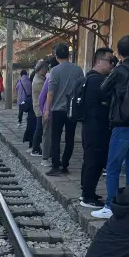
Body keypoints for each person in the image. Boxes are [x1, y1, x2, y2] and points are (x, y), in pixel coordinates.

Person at [91, 36, 129, 218]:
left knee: (113, 166)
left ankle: (111, 205)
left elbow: (103, 89)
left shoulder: (119, 71)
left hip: (123, 123)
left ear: (118, 52)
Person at [78, 47, 114, 208]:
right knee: (94, 161)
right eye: (110, 60)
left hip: (90, 126)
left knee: (90, 160)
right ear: (99, 61)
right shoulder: (97, 81)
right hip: (96, 128)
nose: (112, 64)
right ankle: (88, 196)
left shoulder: (88, 78)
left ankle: (87, 191)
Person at [44, 43, 84, 176]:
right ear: (68, 54)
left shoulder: (55, 71)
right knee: (70, 137)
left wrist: (47, 110)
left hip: (57, 109)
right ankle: (65, 164)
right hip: (72, 109)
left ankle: (56, 165)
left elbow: (50, 92)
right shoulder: (78, 70)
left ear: (56, 56)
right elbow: (81, 89)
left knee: (55, 137)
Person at [30, 59, 48, 156]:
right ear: (40, 69)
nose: (46, 71)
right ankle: (35, 149)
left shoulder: (40, 78)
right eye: (45, 69)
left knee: (39, 128)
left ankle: (36, 147)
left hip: (39, 106)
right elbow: (46, 92)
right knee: (39, 128)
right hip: (39, 107)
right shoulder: (38, 81)